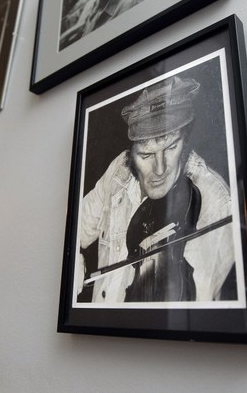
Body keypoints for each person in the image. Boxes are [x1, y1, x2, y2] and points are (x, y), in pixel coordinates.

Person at [77, 75, 236, 303]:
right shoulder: (118, 171)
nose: (160, 169)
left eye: (171, 147)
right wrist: (72, 258)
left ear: (186, 139)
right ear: (129, 152)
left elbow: (196, 308)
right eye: (146, 154)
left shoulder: (215, 202)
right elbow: (77, 230)